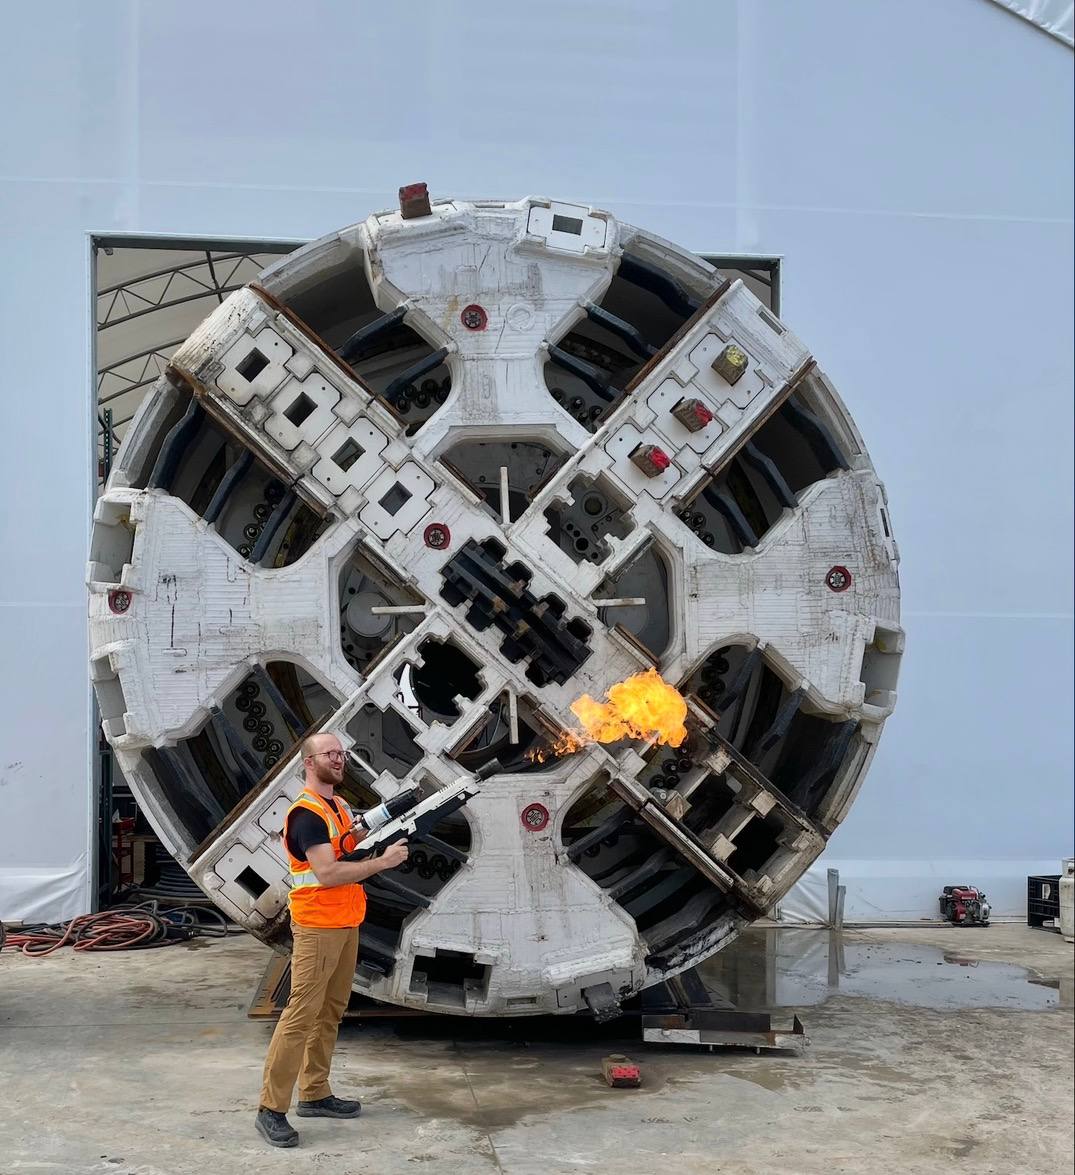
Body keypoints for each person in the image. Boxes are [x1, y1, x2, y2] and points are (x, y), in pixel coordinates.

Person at [256, 732, 409, 1149]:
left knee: (330, 1011)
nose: (339, 760)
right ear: (309, 763)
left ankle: (315, 1093)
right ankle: (270, 1109)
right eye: (330, 754)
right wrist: (383, 862)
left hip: (345, 922)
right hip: (317, 926)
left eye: (342, 753)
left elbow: (345, 849)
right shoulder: (305, 815)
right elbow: (327, 873)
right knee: (300, 1015)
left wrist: (375, 835)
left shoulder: (337, 806)